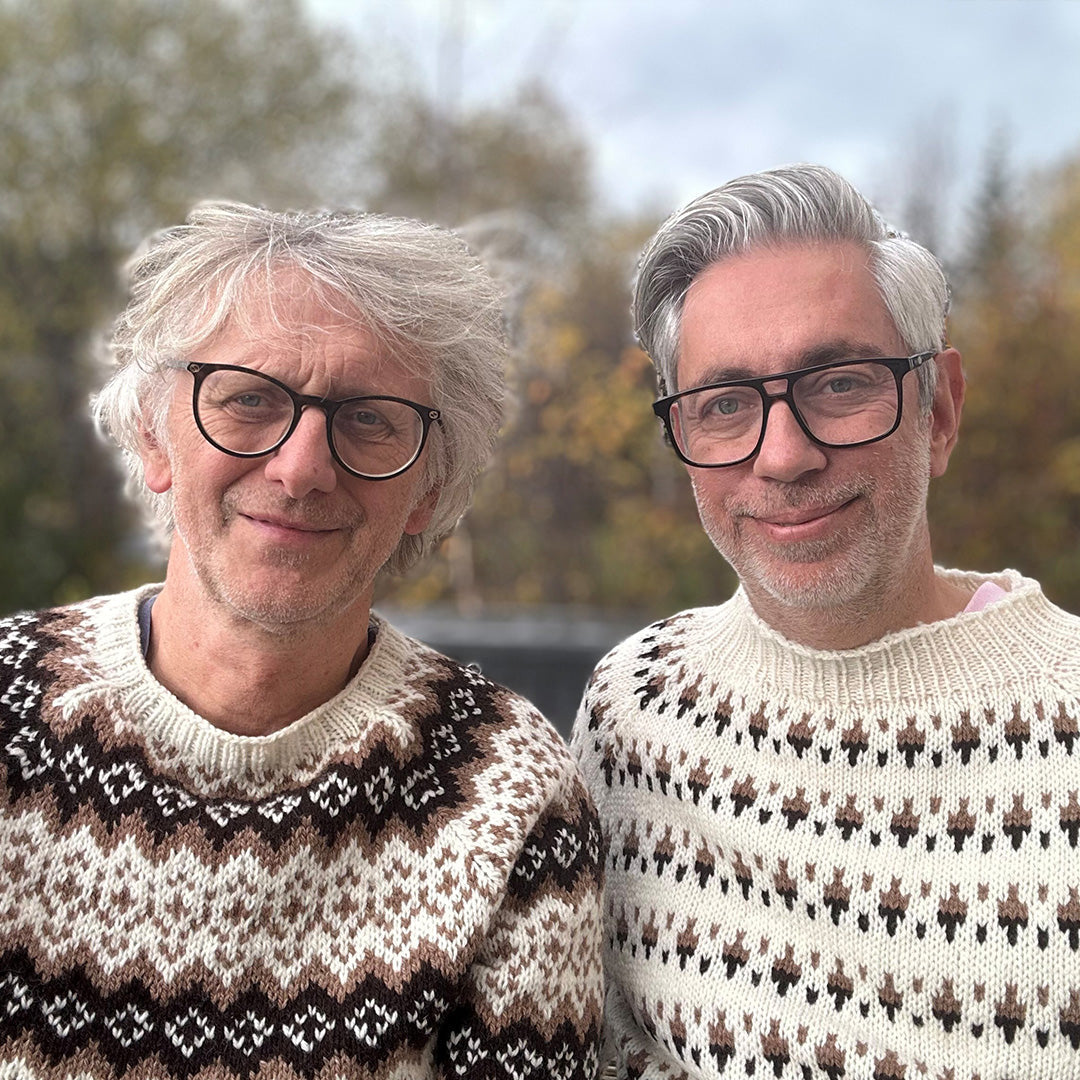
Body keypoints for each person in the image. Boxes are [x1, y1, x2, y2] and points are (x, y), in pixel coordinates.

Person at [0, 201, 604, 1079]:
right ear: (154, 437)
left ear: (429, 491)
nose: (301, 468)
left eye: (369, 419)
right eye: (250, 399)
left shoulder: (502, 791)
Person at [571, 164, 1080, 1079]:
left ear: (939, 411)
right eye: (725, 405)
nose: (784, 454)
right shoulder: (634, 709)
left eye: (840, 384)